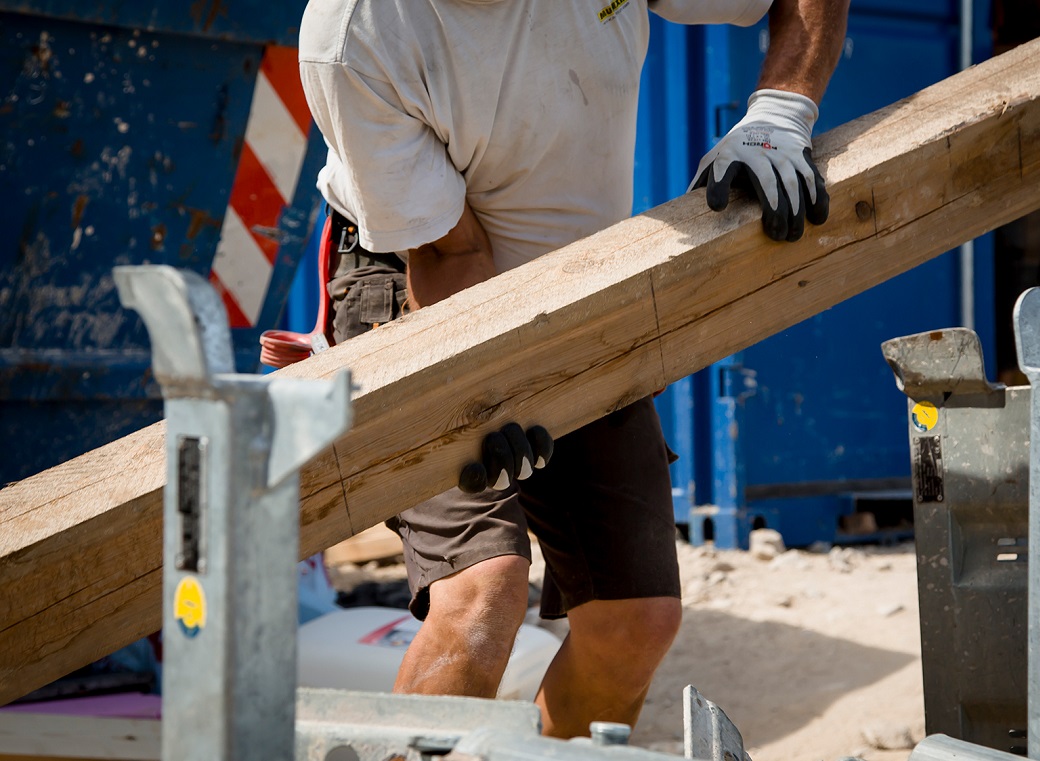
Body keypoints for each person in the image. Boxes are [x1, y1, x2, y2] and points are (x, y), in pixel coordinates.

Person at [298, 0, 847, 739]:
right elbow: (449, 254)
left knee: (634, 622)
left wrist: (781, 110)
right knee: (483, 596)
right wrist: (483, 397)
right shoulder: (354, 33)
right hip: (417, 284)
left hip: (581, 285)